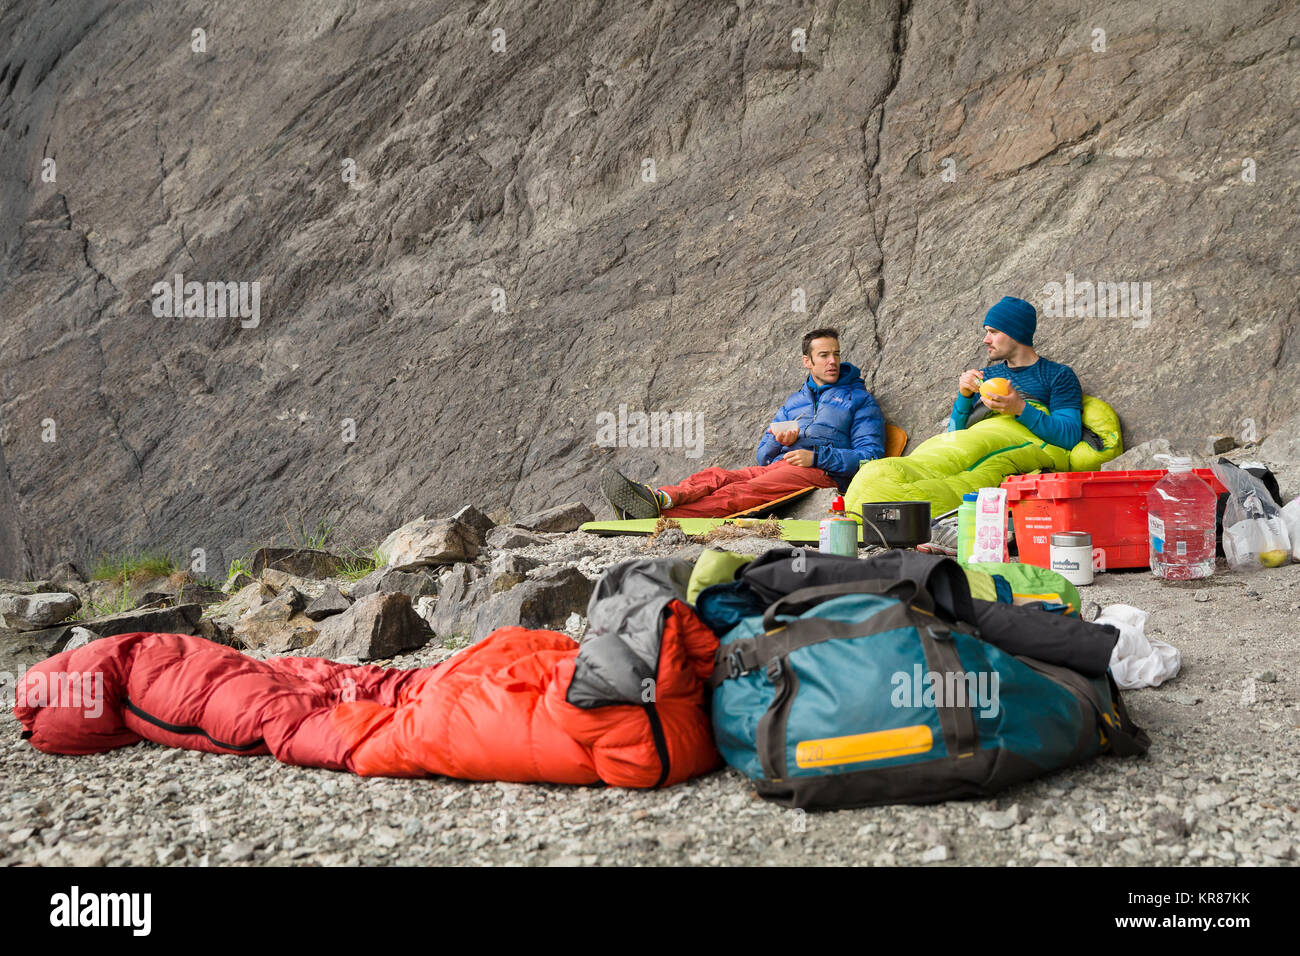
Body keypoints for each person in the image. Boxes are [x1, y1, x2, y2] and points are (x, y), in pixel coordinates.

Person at [600, 328, 886, 518]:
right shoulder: (794, 402)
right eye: (824, 355)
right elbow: (763, 456)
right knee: (717, 475)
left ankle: (660, 517)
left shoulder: (858, 400)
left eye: (836, 353)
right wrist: (779, 440)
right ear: (807, 362)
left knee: (739, 493)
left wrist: (817, 457)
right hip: (780, 466)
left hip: (822, 475)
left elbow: (870, 458)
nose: (832, 361)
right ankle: (659, 498)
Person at [949, 296, 1083, 448]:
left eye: (993, 332)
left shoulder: (1057, 375)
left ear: (1016, 333)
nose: (986, 340)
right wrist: (964, 396)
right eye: (986, 332)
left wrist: (1020, 408)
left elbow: (1070, 437)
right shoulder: (984, 377)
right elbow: (953, 437)